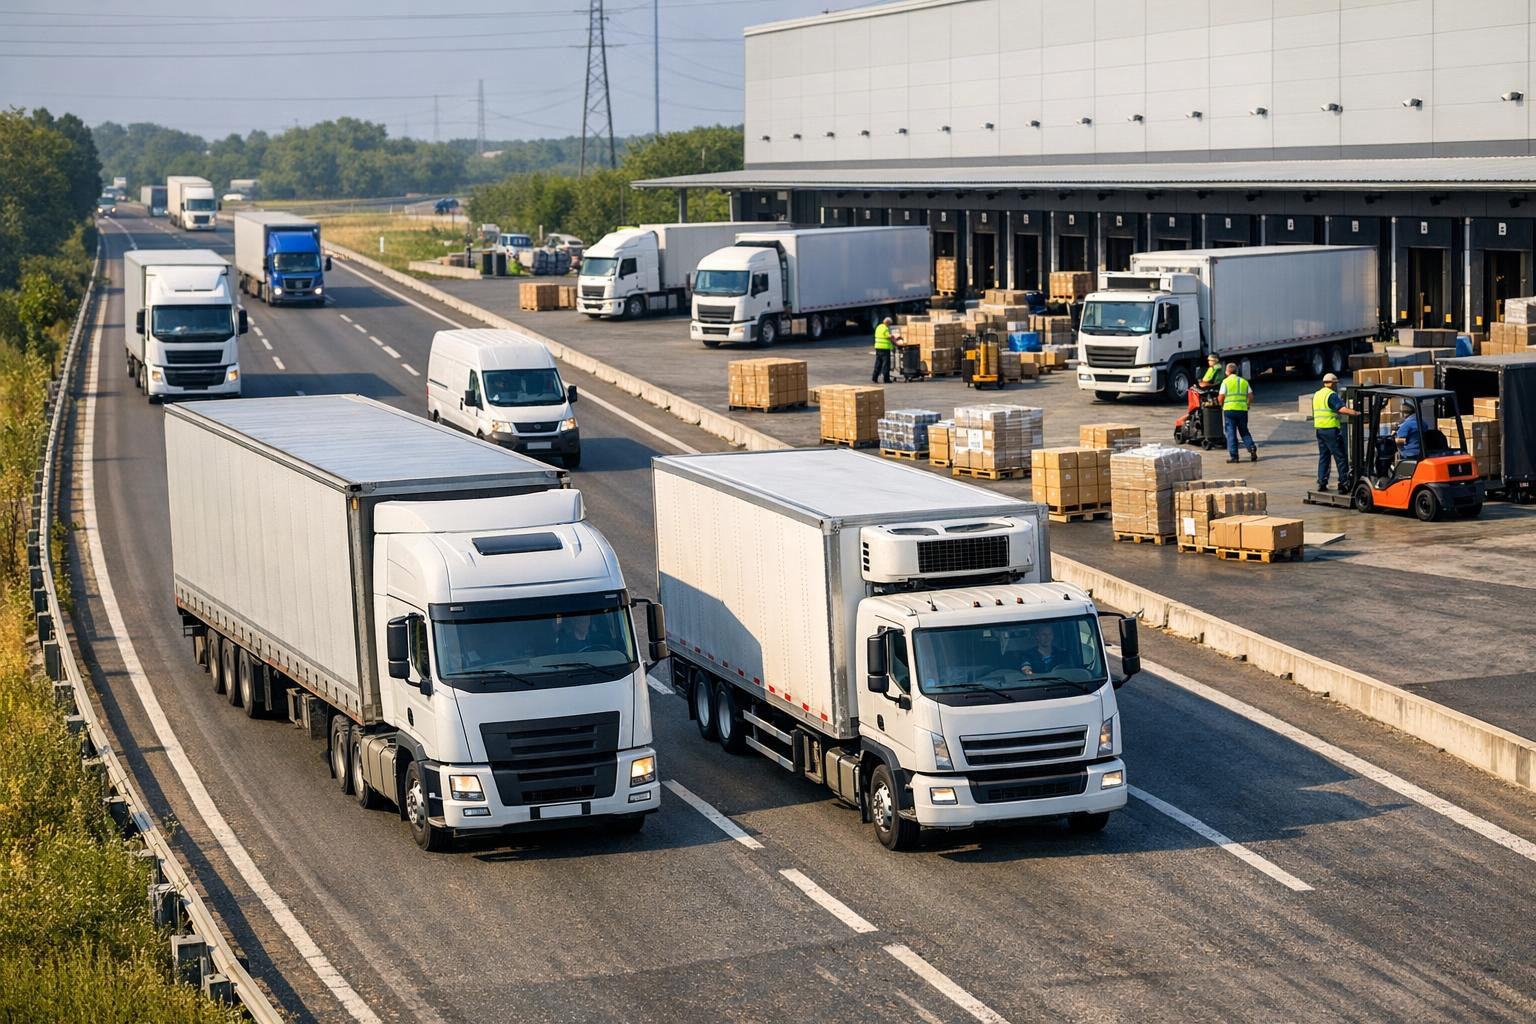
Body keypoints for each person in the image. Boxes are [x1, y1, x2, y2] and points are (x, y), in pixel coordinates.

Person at [1313, 372, 1357, 492]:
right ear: (1332, 384)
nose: (1336, 386)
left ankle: (1322, 482)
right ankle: (1343, 483)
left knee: (1324, 457)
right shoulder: (1331, 395)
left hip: (1320, 430)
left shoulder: (1317, 394)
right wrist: (1355, 413)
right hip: (1331, 430)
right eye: (1336, 384)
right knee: (1340, 457)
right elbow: (1341, 408)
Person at [1218, 362, 1258, 463]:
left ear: (1227, 372)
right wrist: (1247, 405)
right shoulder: (1243, 381)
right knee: (1244, 431)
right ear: (1236, 371)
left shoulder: (1225, 382)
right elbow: (1251, 396)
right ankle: (1251, 447)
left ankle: (1234, 456)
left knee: (1231, 433)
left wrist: (1221, 404)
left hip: (1229, 411)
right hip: (1242, 411)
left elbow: (1221, 396)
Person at [872, 317, 896, 384]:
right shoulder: (885, 328)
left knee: (878, 363)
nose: (889, 325)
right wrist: (893, 337)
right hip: (884, 349)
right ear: (887, 323)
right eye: (889, 324)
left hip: (878, 348)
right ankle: (886, 379)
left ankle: (874, 378)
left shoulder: (878, 327)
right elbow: (888, 336)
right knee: (886, 364)